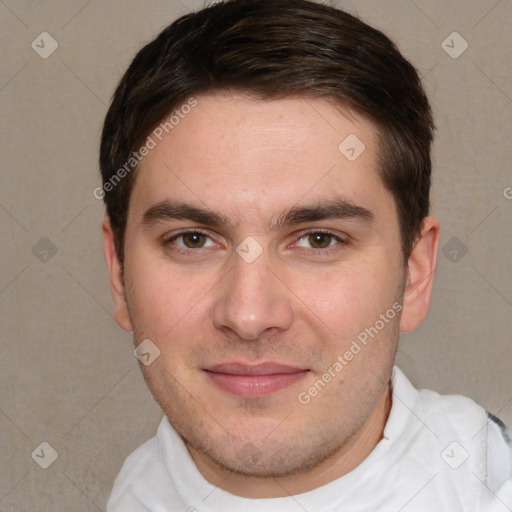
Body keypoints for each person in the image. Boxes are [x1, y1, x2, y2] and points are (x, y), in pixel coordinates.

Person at [98, 0, 512, 510]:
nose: (249, 316)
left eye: (319, 239)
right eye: (194, 239)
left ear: (414, 275)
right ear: (118, 271)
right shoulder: (136, 489)